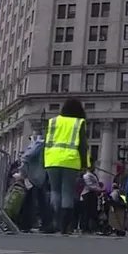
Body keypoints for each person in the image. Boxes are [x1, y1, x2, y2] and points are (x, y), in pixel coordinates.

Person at [44, 99, 88, 235]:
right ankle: (65, 226)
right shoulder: (78, 123)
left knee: (55, 191)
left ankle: (55, 221)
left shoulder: (53, 121)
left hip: (52, 160)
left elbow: (47, 141)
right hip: (70, 160)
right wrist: (85, 164)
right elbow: (82, 145)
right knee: (67, 192)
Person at [18, 133, 54, 233]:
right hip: (36, 176)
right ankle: (44, 224)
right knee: (35, 200)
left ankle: (27, 224)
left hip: (34, 176)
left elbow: (28, 156)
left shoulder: (39, 143)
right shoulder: (40, 144)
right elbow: (29, 156)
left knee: (33, 201)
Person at [81, 165, 101, 233]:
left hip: (92, 194)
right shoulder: (87, 176)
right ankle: (86, 228)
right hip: (88, 194)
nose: (95, 167)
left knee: (92, 212)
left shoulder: (92, 175)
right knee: (87, 212)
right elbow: (90, 186)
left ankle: (90, 227)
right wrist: (99, 189)